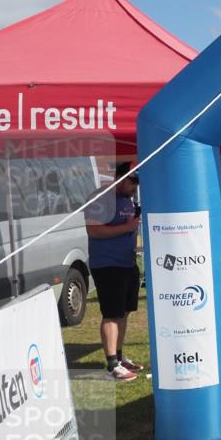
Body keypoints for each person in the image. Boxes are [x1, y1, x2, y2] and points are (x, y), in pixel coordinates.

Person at [83, 162, 142, 381]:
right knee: (111, 313)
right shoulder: (100, 198)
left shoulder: (127, 199)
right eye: (132, 181)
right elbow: (93, 230)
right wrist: (126, 228)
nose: (135, 186)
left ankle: (119, 356)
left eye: (137, 182)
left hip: (127, 262)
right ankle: (111, 364)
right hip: (107, 264)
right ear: (119, 176)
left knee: (124, 312)